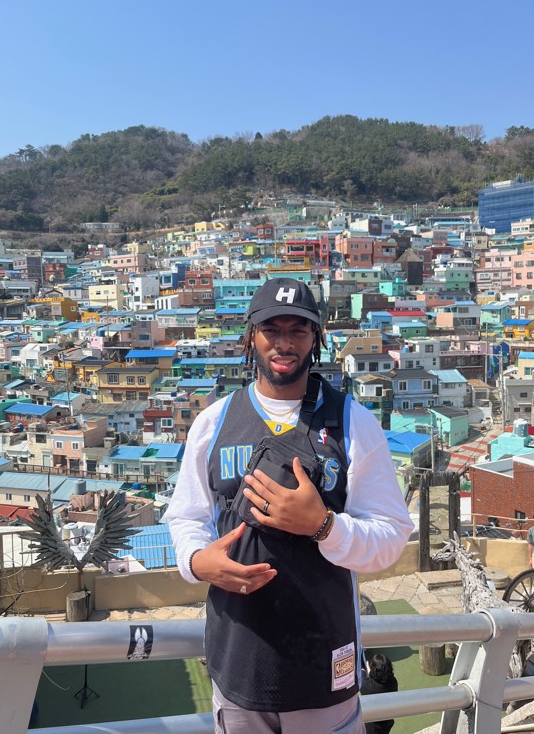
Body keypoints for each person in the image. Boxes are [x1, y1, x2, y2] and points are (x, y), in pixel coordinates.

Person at [166, 277, 413, 734]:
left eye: (298, 330)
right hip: (237, 662)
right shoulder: (212, 423)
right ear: (251, 337)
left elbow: (392, 535)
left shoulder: (352, 423)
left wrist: (323, 526)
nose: (283, 343)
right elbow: (186, 517)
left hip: (324, 668)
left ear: (317, 338)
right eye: (270, 329)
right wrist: (198, 562)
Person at [360, 653, 398, 734]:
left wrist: (365, 669)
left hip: (370, 727)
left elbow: (361, 674)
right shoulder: (393, 682)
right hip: (386, 724)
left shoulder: (367, 686)